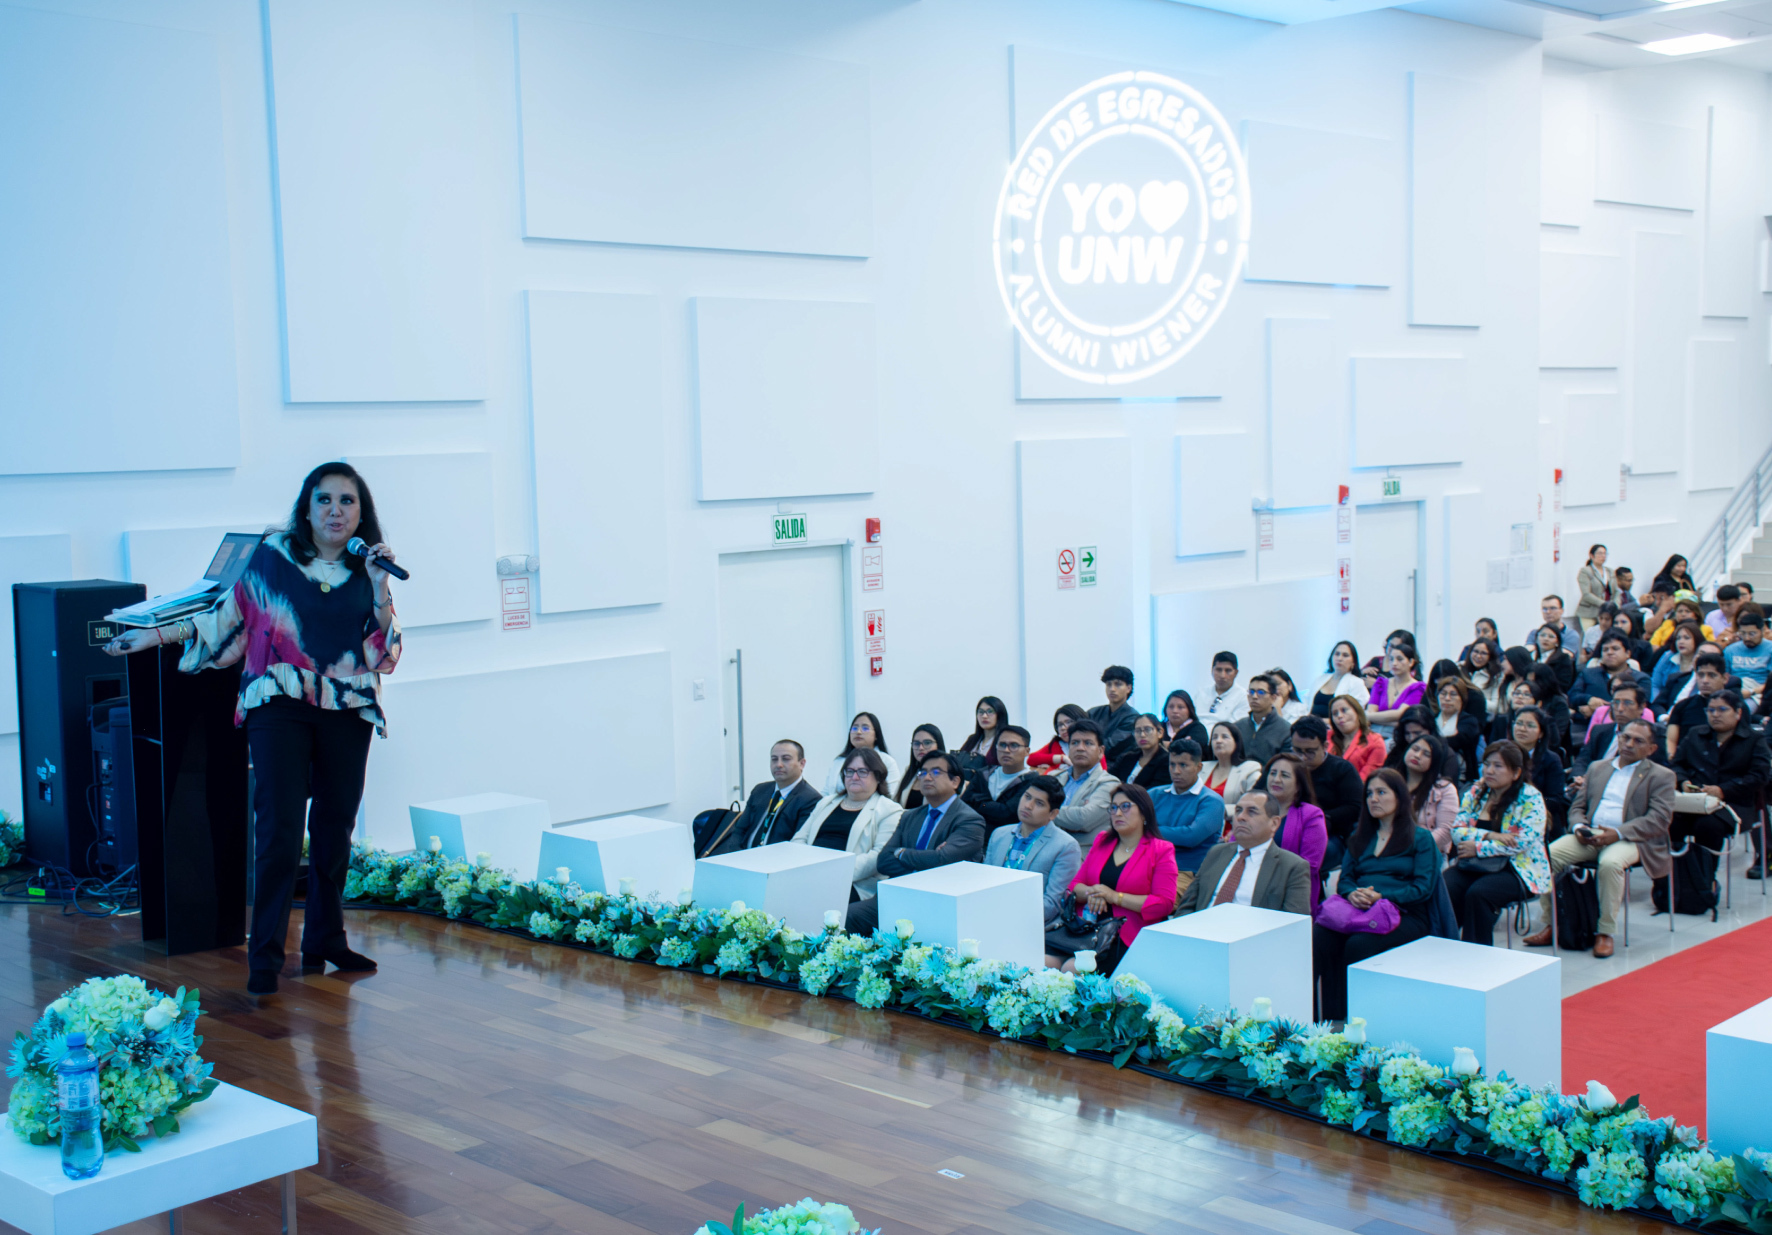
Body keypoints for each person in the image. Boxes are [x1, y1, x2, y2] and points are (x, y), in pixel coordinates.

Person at [105, 462, 401, 995]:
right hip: (279, 703)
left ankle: (325, 941)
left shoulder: (368, 572)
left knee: (335, 833)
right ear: (306, 509)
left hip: (347, 706)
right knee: (280, 833)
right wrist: (154, 636)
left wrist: (380, 586)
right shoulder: (272, 558)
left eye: (347, 502)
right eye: (325, 500)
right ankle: (264, 956)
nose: (336, 511)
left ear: (362, 513)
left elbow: (384, 653)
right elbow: (225, 620)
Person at [1525, 720, 1674, 958]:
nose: (1629, 744)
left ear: (1651, 749)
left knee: (1610, 864)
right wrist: (1579, 827)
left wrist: (1618, 833)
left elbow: (1659, 819)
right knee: (1546, 857)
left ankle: (1605, 932)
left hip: (1631, 839)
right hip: (1590, 835)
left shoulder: (1661, 776)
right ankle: (1553, 923)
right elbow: (1577, 806)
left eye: (1638, 740)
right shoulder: (1598, 768)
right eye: (1625, 737)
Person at [1312, 769, 1439, 1021]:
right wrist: (1352, 894)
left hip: (1406, 913)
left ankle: (1360, 1020)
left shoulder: (1421, 838)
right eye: (1369, 793)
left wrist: (1380, 896)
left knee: (1359, 944)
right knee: (1322, 935)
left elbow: (1422, 888)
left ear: (1400, 797)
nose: (1373, 799)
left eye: (1381, 792)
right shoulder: (1359, 837)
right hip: (1360, 909)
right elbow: (1345, 879)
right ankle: (1329, 1018)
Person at [847, 752, 985, 933]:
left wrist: (902, 853)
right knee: (847, 916)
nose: (926, 777)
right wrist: (929, 859)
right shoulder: (910, 816)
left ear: (955, 781)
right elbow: (884, 862)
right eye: (923, 772)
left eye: (936, 772)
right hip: (898, 895)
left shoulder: (969, 820)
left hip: (938, 901)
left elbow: (943, 861)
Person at [1046, 785, 1178, 974]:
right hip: (1084, 929)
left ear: (1144, 813)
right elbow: (1074, 886)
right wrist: (1094, 892)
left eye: (1125, 806)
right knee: (1044, 961)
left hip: (1125, 935)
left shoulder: (1161, 850)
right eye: (1113, 808)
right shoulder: (1102, 840)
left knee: (1072, 968)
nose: (1117, 813)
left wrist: (1114, 897)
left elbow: (1164, 903)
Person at [1445, 742, 1551, 946]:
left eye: (1498, 766)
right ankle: (1444, 947)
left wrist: (1477, 847)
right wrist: (1490, 835)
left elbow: (1520, 843)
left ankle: (1477, 957)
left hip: (1518, 868)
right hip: (1476, 864)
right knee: (1447, 885)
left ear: (1515, 772)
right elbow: (1457, 831)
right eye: (1486, 764)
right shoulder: (1477, 791)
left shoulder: (1530, 797)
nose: (1490, 771)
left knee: (1479, 894)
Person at [1670, 690, 1772, 865]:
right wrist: (1683, 781)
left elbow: (1759, 776)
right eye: (1710, 710)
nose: (1715, 715)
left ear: (1738, 713)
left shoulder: (1754, 739)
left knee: (1707, 825)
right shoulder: (1695, 734)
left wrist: (1722, 791)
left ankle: (1706, 881)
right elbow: (1676, 764)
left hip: (1735, 804)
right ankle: (1676, 882)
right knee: (1669, 822)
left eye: (1722, 709)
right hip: (1694, 800)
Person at [793, 749, 906, 902]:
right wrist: (808, 867)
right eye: (850, 771)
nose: (854, 777)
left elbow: (878, 856)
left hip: (854, 882)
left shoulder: (889, 810)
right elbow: (799, 839)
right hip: (811, 873)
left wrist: (833, 872)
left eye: (862, 772)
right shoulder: (826, 802)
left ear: (878, 776)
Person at [1175, 792, 1311, 916]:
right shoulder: (1216, 852)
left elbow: (1293, 925)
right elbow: (1187, 906)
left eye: (1252, 812)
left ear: (1274, 823)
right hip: (1202, 934)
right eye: (1238, 810)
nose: (1240, 817)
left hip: (1253, 940)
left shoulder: (1292, 867)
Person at [983, 775, 1082, 930]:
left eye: (1039, 803)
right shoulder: (999, 834)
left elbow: (1052, 903)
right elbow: (983, 883)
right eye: (1027, 797)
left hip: (1031, 927)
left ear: (1053, 814)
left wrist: (1005, 914)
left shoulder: (1065, 846)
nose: (1028, 806)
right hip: (987, 917)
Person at [708, 739, 821, 854]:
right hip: (743, 858)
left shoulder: (811, 799)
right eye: (774, 759)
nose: (779, 764)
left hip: (776, 863)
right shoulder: (760, 790)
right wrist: (737, 856)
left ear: (802, 763)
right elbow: (739, 830)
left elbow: (796, 845)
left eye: (786, 759)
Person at [1149, 739, 1225, 903]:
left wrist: (1150, 829)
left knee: (1154, 903)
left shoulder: (1211, 801)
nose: (1176, 771)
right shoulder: (1154, 795)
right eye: (1172, 764)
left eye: (1183, 765)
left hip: (1185, 872)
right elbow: (1133, 827)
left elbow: (1190, 837)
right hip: (1149, 865)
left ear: (1199, 767)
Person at [1287, 716, 1364, 869]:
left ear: (1325, 746)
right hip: (1289, 827)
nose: (1302, 757)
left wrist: (1315, 818)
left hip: (1332, 834)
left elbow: (1355, 807)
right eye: (1297, 750)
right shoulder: (1286, 766)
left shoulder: (1342, 769)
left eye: (1310, 751)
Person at [1258, 753, 1328, 908]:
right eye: (1273, 773)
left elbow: (1309, 866)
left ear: (1298, 785)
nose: (1276, 779)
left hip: (1289, 892)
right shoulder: (1254, 809)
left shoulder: (1311, 815)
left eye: (1284, 775)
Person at [1572, 681, 1664, 784]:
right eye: (1615, 702)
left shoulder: (1654, 736)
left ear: (1641, 707)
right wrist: (1579, 777)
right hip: (1589, 784)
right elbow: (1583, 760)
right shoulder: (1599, 731)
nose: (1620, 709)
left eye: (1627, 703)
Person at [1052, 720, 1121, 843]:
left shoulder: (1109, 783)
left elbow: (1083, 819)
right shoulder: (1054, 778)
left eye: (1088, 743)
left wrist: (1045, 811)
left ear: (1100, 751)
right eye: (1075, 743)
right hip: (1045, 848)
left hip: (1082, 855)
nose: (1080, 748)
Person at [1509, 705, 1568, 835]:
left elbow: (1555, 800)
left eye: (1530, 725)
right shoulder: (1501, 752)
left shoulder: (1551, 759)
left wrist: (1526, 805)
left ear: (1541, 733)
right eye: (1519, 723)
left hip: (1538, 817)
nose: (1522, 729)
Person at [1395, 733, 1459, 853]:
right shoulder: (1390, 782)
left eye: (1426, 754)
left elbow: (1445, 831)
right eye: (1415, 749)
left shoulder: (1445, 789)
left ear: (1434, 762)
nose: (1417, 755)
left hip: (1426, 852)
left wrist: (1413, 848)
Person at [1570, 631, 1649, 722]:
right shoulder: (1588, 674)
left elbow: (1642, 707)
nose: (1609, 652)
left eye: (1615, 648)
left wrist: (1600, 711)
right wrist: (1589, 699)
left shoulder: (1640, 679)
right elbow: (1572, 697)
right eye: (1605, 650)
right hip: (1584, 726)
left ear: (1628, 653)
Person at [1665, 652, 1730, 757]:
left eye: (1712, 675)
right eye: (1701, 675)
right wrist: (1672, 759)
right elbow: (1671, 741)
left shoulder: (1736, 707)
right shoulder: (1682, 706)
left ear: (1725, 678)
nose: (1705, 681)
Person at [821, 713, 901, 796]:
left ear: (876, 735)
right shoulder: (839, 761)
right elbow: (826, 793)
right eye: (855, 728)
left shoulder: (887, 761)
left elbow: (891, 794)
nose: (858, 732)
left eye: (865, 728)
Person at [978, 726, 1039, 832]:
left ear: (1027, 751)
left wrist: (981, 804)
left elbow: (1006, 814)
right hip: (975, 835)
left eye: (1014, 745)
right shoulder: (984, 774)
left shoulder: (1032, 781)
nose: (1006, 750)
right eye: (1002, 745)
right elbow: (965, 805)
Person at [1365, 644, 1426, 741]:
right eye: (1391, 659)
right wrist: (1394, 721)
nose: (1394, 663)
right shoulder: (1381, 683)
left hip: (1397, 735)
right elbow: (1371, 710)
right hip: (1373, 732)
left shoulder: (1417, 687)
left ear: (1411, 662)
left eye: (1400, 659)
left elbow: (1401, 714)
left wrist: (1368, 716)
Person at [1200, 722, 1262, 815]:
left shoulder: (1249, 769)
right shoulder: (1202, 768)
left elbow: (1254, 803)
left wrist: (1222, 810)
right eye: (1214, 737)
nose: (1218, 741)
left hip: (1231, 825)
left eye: (1224, 737)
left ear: (1236, 742)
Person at [1432, 676, 1482, 782]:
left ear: (1462, 698)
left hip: (1461, 777)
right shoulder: (1431, 719)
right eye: (1443, 693)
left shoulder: (1469, 721)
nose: (1447, 698)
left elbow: (1456, 741)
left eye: (1453, 694)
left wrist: (1431, 742)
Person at [1236, 674, 1293, 765]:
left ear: (1273, 698)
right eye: (1251, 692)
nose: (1254, 696)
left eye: (1261, 692)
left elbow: (1285, 765)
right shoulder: (1238, 727)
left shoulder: (1286, 730)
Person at [1087, 666, 1140, 762]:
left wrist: (1086, 747)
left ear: (1128, 688)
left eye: (1118, 684)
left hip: (1115, 767)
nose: (1112, 689)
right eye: (1108, 684)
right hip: (1089, 761)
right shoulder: (1093, 712)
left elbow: (1111, 746)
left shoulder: (1133, 717)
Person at [1650, 621, 1705, 709]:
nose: (1681, 642)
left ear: (1697, 639)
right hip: (1665, 706)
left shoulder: (1702, 660)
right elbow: (1655, 684)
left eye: (1686, 638)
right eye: (1678, 638)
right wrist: (1657, 704)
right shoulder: (1668, 656)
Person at [1328, 695, 1386, 779]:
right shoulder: (1327, 736)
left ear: (1357, 712)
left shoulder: (1375, 741)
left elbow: (1366, 779)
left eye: (1344, 710)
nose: (1339, 716)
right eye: (1335, 713)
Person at [1109, 713, 1170, 790]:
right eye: (1137, 731)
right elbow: (1109, 780)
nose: (1142, 735)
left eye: (1147, 729)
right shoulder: (1126, 758)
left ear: (1160, 732)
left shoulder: (1166, 761)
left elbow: (1154, 792)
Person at [1309, 642, 1369, 718]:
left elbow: (1355, 715)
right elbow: (1306, 705)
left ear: (1353, 662)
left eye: (1345, 655)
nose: (1339, 658)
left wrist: (1321, 722)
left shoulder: (1357, 683)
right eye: (1337, 654)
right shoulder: (1320, 679)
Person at [895, 724, 947, 806]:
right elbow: (895, 802)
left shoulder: (947, 773)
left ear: (938, 745)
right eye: (916, 743)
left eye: (927, 743)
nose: (921, 748)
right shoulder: (909, 771)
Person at [1727, 611, 1772, 699]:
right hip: (1735, 689)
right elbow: (1724, 677)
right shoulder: (1730, 650)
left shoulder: (1770, 649)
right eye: (1743, 633)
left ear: (1762, 631)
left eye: (1752, 634)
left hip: (1760, 691)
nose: (1747, 638)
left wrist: (1751, 692)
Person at [1029, 704, 1087, 771]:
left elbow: (1101, 771)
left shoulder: (1092, 744)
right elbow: (1031, 759)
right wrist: (1061, 759)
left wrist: (1052, 769)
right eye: (1060, 725)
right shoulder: (1056, 744)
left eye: (1068, 722)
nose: (1063, 728)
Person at [958, 695, 1010, 767]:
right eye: (981, 712)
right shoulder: (972, 739)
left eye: (990, 711)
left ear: (1000, 714)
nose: (984, 716)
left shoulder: (1005, 741)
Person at [1461, 638, 1506, 714]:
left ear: (1490, 656)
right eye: (1476, 651)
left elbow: (1496, 707)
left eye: (1483, 653)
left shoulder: (1497, 675)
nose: (1478, 656)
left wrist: (1474, 698)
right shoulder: (1459, 668)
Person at [1202, 651, 1249, 723]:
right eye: (1218, 670)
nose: (1222, 676)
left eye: (1228, 670)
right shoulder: (1201, 693)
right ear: (1212, 671)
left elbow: (1235, 727)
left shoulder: (1243, 697)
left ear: (1236, 673)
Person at [1575, 544, 1612, 633]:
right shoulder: (1585, 571)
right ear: (1592, 555)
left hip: (1606, 611)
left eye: (1605, 554)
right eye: (1600, 553)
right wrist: (1604, 604)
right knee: (1590, 634)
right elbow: (1586, 594)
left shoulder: (1609, 571)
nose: (1603, 556)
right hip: (1589, 611)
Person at [1530, 624, 1578, 693]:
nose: (1546, 639)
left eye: (1551, 637)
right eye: (1542, 635)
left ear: (1557, 642)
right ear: (1536, 639)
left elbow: (1563, 686)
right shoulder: (1530, 656)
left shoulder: (1563, 659)